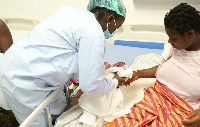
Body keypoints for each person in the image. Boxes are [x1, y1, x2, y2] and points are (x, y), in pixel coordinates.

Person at [0, 0, 127, 126]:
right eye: (117, 26)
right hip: (24, 81)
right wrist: (114, 81)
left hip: (17, 62)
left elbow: (69, 57)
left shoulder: (72, 14)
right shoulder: (93, 33)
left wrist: (96, 70)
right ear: (110, 19)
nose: (115, 30)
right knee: (37, 122)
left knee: (60, 111)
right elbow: (91, 85)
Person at [106, 3, 200, 127]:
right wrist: (138, 73)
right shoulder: (175, 48)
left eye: (173, 38)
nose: (169, 42)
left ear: (190, 34)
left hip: (183, 108)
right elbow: (164, 67)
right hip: (155, 97)